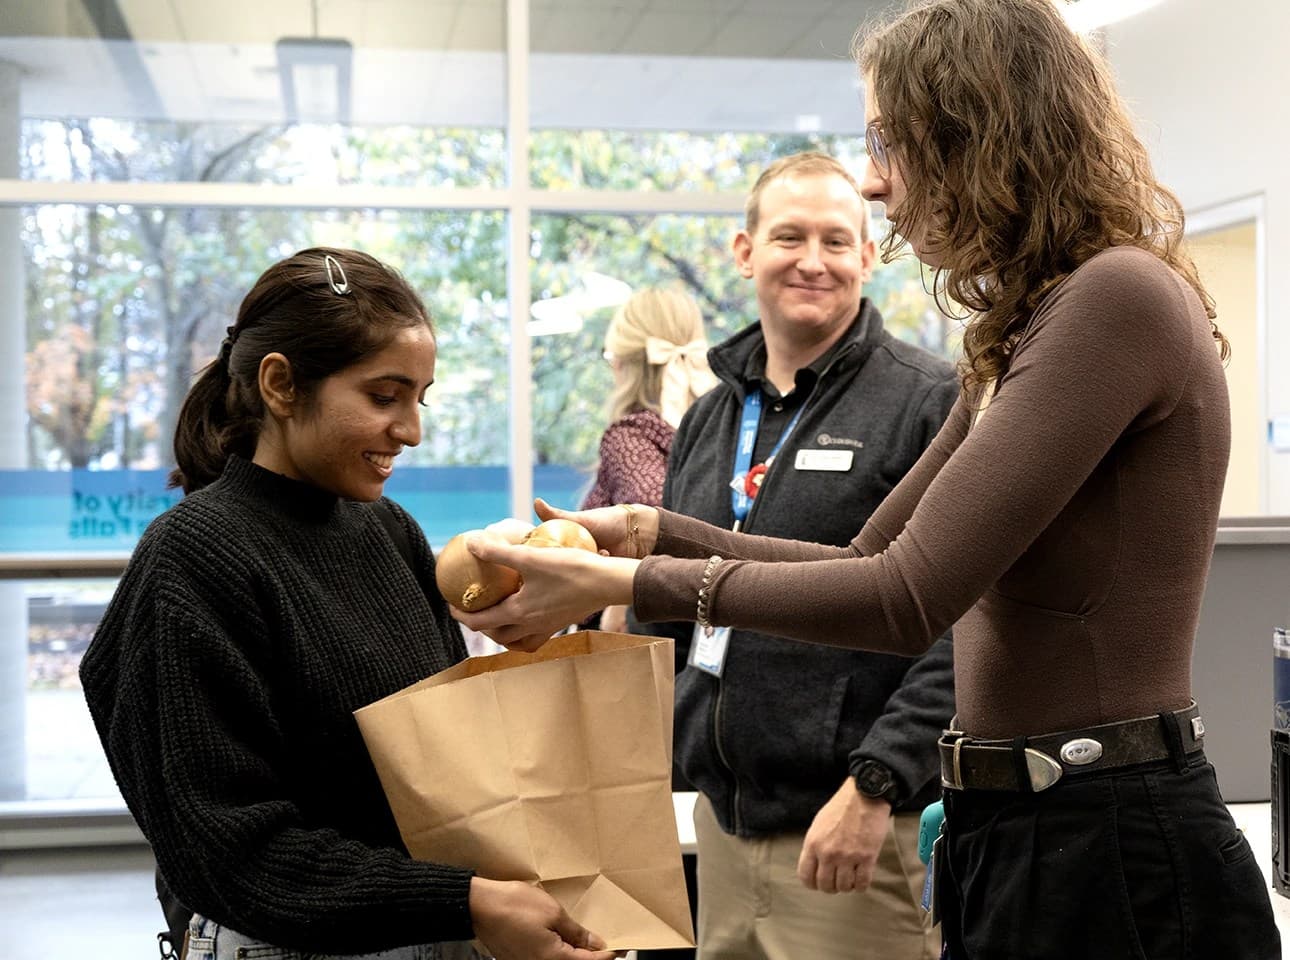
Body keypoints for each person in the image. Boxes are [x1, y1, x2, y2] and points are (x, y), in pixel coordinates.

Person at [450, 1, 1282, 957]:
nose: (877, 182)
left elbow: (903, 599)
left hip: (1107, 839)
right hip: (1022, 826)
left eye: (890, 141)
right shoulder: (1027, 330)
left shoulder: (1115, 297)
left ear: (975, 133)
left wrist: (628, 585)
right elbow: (866, 555)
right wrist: (651, 533)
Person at [78, 247, 616, 960]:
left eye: (419, 400)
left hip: (426, 928)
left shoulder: (386, 531)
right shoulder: (193, 559)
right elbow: (230, 851)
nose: (411, 431)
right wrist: (461, 901)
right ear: (280, 384)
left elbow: (444, 763)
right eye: (384, 397)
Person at [643, 152, 955, 960]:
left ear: (868, 257)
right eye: (789, 237)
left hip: (852, 832)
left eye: (836, 241)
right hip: (719, 824)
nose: (813, 261)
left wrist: (876, 783)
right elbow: (681, 614)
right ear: (745, 252)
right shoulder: (709, 419)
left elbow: (967, 621)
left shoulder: (929, 403)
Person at [581, 287, 716, 634]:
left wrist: (618, 601)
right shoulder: (720, 429)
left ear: (623, 363)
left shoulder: (631, 436)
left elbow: (652, 523)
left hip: (640, 637)